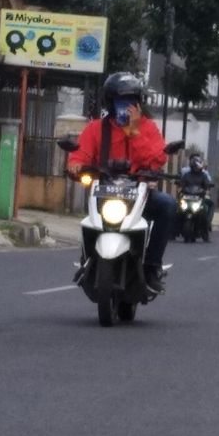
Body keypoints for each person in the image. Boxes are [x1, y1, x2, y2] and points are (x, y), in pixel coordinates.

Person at [67, 72, 176, 294]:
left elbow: (157, 160)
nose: (126, 106)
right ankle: (86, 260)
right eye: (120, 101)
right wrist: (76, 165)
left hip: (140, 193)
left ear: (139, 103)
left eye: (131, 101)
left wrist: (134, 132)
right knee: (87, 222)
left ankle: (152, 267)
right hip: (104, 192)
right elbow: (80, 154)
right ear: (110, 102)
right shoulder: (96, 128)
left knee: (168, 205)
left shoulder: (148, 128)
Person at [179, 154, 215, 231]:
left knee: (204, 212)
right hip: (186, 197)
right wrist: (179, 184)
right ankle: (173, 232)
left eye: (198, 166)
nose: (196, 168)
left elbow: (207, 183)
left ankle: (206, 228)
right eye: (195, 166)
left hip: (199, 198)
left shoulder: (204, 175)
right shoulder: (186, 175)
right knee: (177, 211)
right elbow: (182, 183)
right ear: (192, 165)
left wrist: (208, 186)